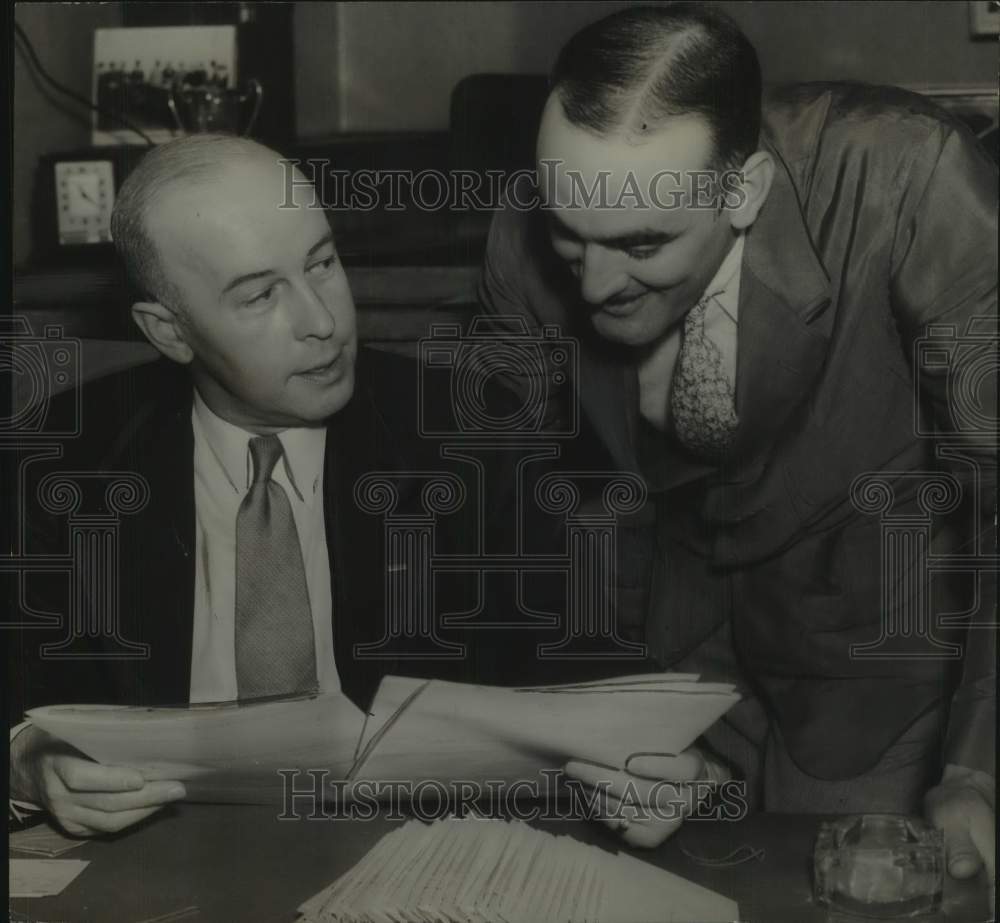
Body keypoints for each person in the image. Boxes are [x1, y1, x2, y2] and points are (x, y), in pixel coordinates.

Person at [478, 2, 996, 886]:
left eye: (643, 241)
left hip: (874, 642)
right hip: (664, 649)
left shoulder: (909, 180)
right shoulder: (525, 235)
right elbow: (529, 512)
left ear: (745, 189)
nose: (595, 283)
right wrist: (601, 719)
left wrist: (976, 766)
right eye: (571, 232)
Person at [8, 134, 474, 836]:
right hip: (157, 853)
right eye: (259, 296)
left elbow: (571, 693)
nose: (323, 322)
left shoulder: (472, 438)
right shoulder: (57, 461)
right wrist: (27, 765)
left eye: (322, 263)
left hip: (409, 843)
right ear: (170, 332)